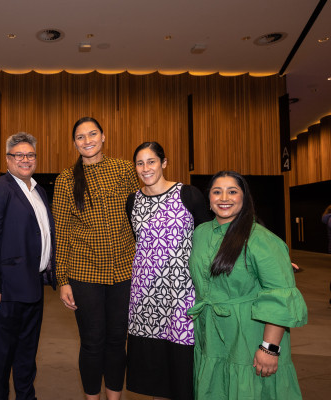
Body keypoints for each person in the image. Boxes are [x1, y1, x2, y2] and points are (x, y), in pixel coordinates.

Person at [188, 170, 308, 399]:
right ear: (209, 200)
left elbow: (280, 297)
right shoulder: (201, 233)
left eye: (232, 191)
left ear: (244, 198)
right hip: (210, 335)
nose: (224, 198)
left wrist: (269, 348)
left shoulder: (262, 239)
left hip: (249, 334)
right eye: (217, 192)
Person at [53, 117, 140, 400]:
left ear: (103, 136)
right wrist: (63, 279)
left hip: (124, 272)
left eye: (92, 134)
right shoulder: (67, 178)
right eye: (80, 136)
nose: (87, 140)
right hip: (84, 273)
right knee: (92, 342)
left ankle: (114, 398)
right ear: (74, 143)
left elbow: (139, 214)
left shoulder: (125, 169)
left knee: (117, 341)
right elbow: (62, 232)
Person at [125, 142, 210, 400]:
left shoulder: (188, 194)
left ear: (164, 163)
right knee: (153, 367)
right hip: (146, 295)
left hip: (182, 290)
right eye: (140, 163)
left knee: (182, 359)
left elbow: (210, 237)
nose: (145, 168)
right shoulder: (133, 201)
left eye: (151, 161)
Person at [0, 132, 56, 400]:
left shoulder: (39, 191)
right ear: (8, 159)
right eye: (18, 155)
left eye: (30, 155)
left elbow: (42, 234)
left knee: (27, 355)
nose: (25, 159)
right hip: (7, 292)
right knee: (2, 358)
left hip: (34, 287)